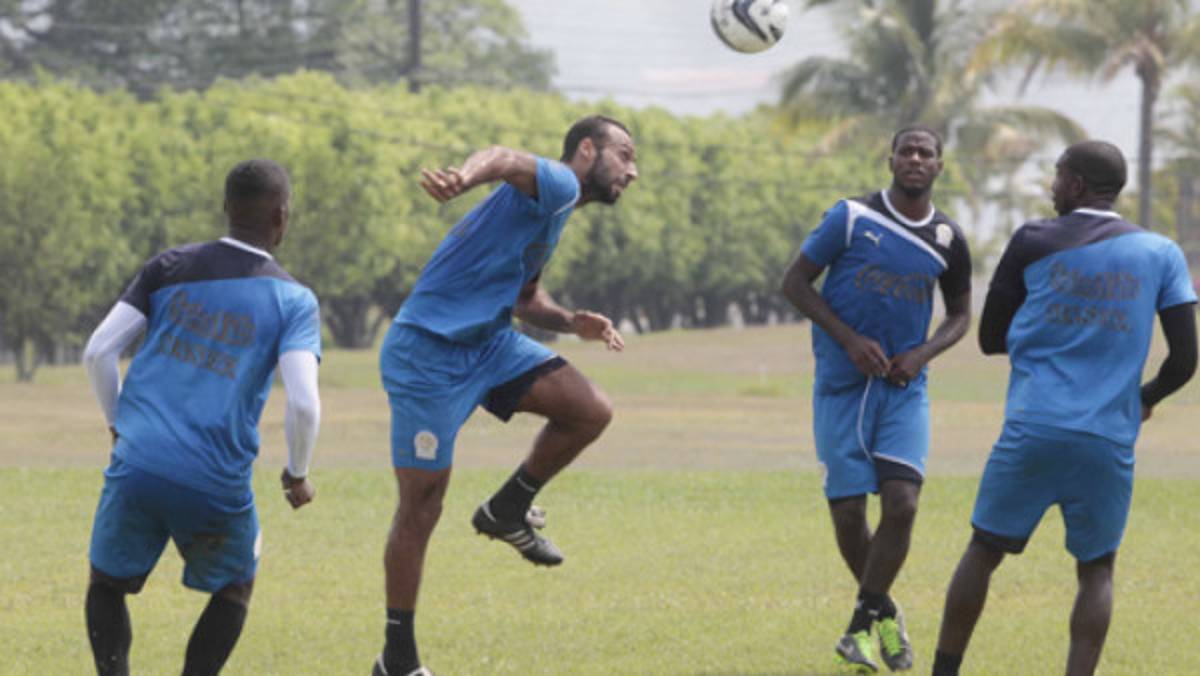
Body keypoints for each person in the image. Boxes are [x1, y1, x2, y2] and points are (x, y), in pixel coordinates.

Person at [373, 115, 638, 676]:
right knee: (421, 508)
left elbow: (525, 299)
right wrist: (462, 179)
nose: (633, 171)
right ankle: (397, 659)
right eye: (625, 154)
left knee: (589, 410)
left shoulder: (556, 213)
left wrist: (572, 322)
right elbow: (499, 157)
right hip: (428, 353)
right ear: (587, 150)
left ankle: (507, 508)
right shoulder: (561, 182)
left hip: (489, 344)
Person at [932, 141, 1197, 676]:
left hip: (1033, 426)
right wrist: (1142, 400)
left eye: (1056, 177)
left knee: (983, 550)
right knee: (1097, 569)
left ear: (1076, 184)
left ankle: (944, 672)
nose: (1052, 187)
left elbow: (990, 338)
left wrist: (1051, 340)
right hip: (1107, 437)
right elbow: (1186, 358)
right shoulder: (1162, 253)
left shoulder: (1033, 239)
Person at [81, 159, 322, 676]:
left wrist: (118, 424)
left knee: (106, 582)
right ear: (281, 217)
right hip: (215, 477)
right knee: (235, 587)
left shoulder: (169, 267)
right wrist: (297, 473)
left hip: (138, 460)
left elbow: (99, 351)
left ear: (227, 208)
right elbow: (303, 403)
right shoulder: (294, 301)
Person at [782, 127, 972, 672]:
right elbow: (794, 284)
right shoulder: (850, 216)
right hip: (841, 388)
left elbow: (961, 315)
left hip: (901, 390)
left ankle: (858, 624)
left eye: (926, 153)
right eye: (906, 150)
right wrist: (847, 338)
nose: (915, 158)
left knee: (903, 504)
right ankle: (884, 615)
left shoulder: (948, 239)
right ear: (890, 159)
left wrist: (922, 354)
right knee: (847, 515)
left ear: (939, 166)